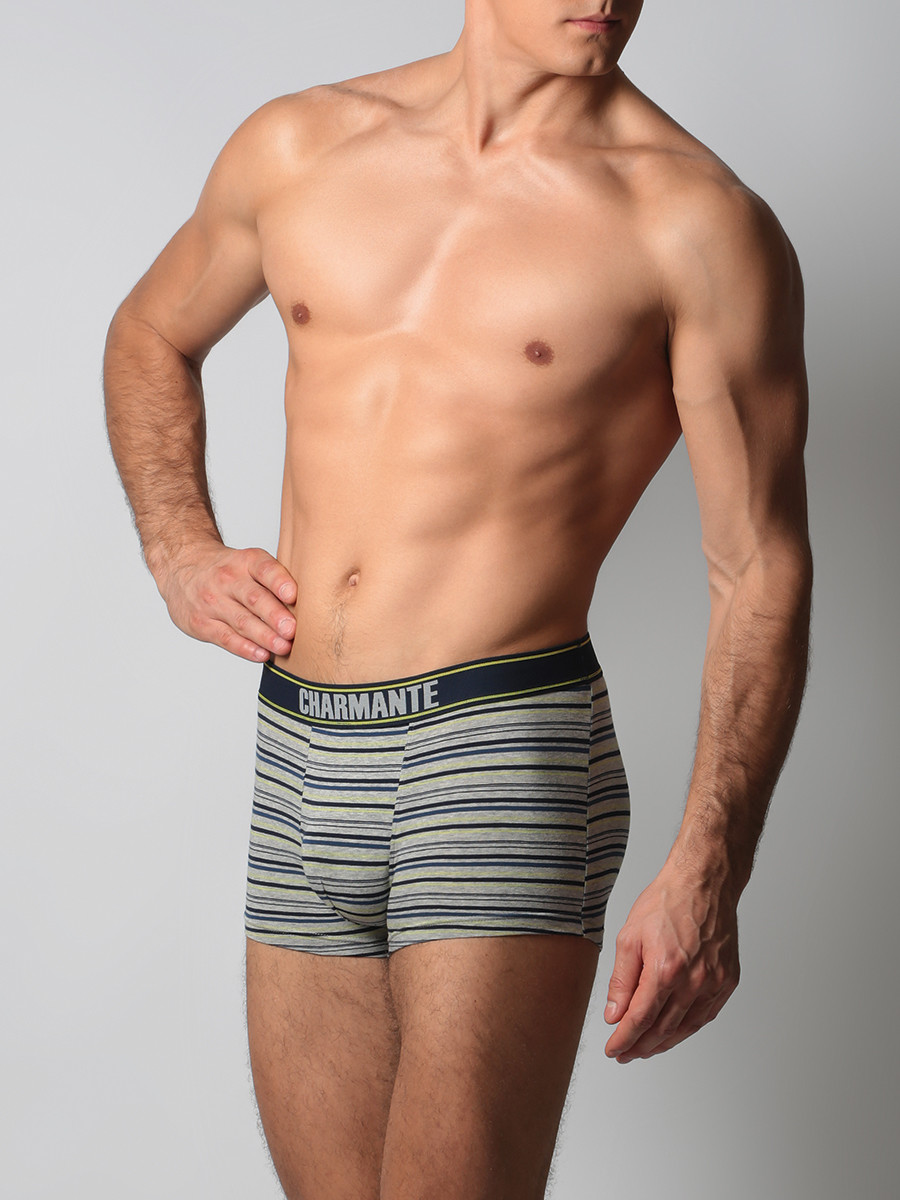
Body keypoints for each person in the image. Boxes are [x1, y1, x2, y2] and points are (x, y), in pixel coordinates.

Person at [103, 2, 813, 1196]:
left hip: (502, 744)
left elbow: (760, 565)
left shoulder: (693, 220)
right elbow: (149, 332)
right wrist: (180, 546)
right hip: (302, 747)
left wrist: (711, 864)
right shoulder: (299, 146)